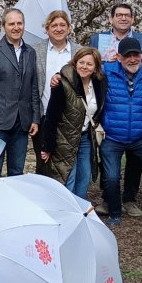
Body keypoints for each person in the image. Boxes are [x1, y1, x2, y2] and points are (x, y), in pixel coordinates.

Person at [89, 3, 142, 216]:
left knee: (137, 164)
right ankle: (110, 201)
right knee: (110, 172)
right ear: (111, 19)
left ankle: (130, 198)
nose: (123, 18)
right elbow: (88, 69)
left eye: (127, 15)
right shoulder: (98, 41)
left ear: (133, 18)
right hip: (113, 125)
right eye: (119, 15)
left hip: (138, 124)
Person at [99, 38, 142, 230]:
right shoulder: (106, 71)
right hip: (113, 137)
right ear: (119, 57)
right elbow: (81, 71)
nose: (132, 59)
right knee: (111, 177)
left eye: (135, 55)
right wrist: (58, 76)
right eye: (127, 55)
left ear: (141, 55)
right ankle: (114, 212)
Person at [0, 8, 41, 180]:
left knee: (17, 172)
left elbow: (33, 87)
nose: (16, 27)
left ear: (24, 26)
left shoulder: (30, 53)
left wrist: (35, 118)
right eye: (11, 23)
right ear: (4, 26)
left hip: (22, 124)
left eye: (19, 23)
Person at [38, 47, 106, 198]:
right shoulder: (62, 84)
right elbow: (51, 117)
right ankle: (66, 212)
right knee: (68, 176)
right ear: (75, 63)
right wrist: (47, 145)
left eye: (89, 64)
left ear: (95, 68)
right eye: (81, 62)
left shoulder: (99, 83)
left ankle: (79, 209)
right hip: (64, 138)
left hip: (86, 138)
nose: (84, 67)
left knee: (85, 176)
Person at [35, 10, 80, 160]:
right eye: (54, 25)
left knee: (68, 161)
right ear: (47, 29)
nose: (58, 29)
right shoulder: (35, 51)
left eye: (62, 25)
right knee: (44, 160)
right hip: (44, 115)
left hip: (71, 117)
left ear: (69, 28)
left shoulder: (79, 52)